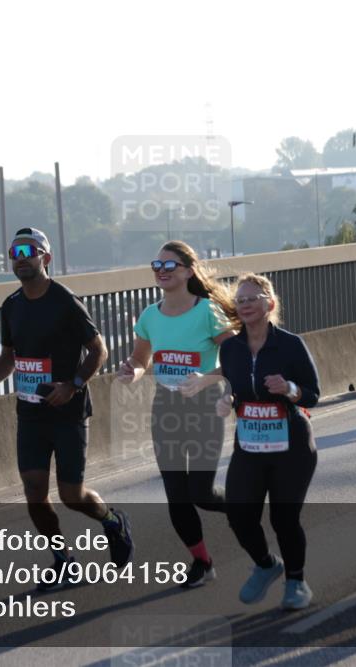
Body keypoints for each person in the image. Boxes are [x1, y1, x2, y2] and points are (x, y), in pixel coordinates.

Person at [0, 227, 133, 589]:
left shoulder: (64, 300)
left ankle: (111, 521)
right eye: (15, 252)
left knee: (72, 495)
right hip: (30, 413)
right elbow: (10, 357)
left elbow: (99, 350)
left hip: (67, 412)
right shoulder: (11, 305)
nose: (21, 257)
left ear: (46, 258)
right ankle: (63, 560)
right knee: (34, 493)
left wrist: (73, 385)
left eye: (29, 251)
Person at [117, 240, 237, 588]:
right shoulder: (150, 315)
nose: (162, 272)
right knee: (176, 493)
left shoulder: (208, 311)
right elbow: (142, 359)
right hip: (166, 407)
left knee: (201, 493)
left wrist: (205, 381)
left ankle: (245, 509)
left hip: (204, 406)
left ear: (187, 271)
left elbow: (235, 360)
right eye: (157, 266)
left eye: (169, 266)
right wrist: (133, 371)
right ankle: (202, 561)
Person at [217, 273, 320, 610]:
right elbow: (234, 388)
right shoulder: (230, 348)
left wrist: (289, 389)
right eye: (240, 299)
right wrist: (227, 401)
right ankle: (265, 565)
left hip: (292, 446)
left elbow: (314, 394)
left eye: (253, 298)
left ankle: (296, 581)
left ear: (269, 304)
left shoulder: (290, 344)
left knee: (283, 518)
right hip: (249, 445)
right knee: (238, 513)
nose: (245, 304)